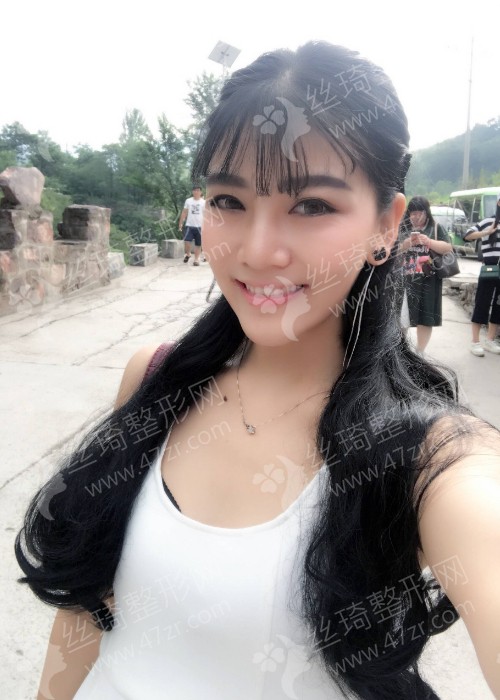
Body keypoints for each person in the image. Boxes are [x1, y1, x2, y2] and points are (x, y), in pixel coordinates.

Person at [15, 42, 500, 700]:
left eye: (312, 206)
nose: (257, 249)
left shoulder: (435, 462)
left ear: (387, 225)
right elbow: (89, 606)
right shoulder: (155, 378)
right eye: (229, 200)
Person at [399, 196, 453, 353]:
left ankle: (420, 352)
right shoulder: (402, 227)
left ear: (426, 212)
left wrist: (428, 241)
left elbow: (448, 248)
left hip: (429, 280)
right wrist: (408, 243)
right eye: (412, 213)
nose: (416, 216)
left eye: (419, 213)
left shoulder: (436, 227)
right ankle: (401, 351)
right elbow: (393, 250)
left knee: (426, 318)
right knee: (402, 317)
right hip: (405, 280)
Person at [463, 193, 500, 356]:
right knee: (482, 302)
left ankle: (490, 340)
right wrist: (487, 232)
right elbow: (467, 235)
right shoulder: (487, 222)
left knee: (498, 305)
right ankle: (475, 341)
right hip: (489, 269)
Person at [178, 185, 205, 266]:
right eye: (194, 190)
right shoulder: (188, 201)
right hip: (189, 225)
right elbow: (184, 212)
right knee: (187, 241)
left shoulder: (204, 202)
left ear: (200, 192)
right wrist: (180, 223)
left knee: (198, 244)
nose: (196, 192)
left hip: (200, 226)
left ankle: (196, 260)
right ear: (192, 192)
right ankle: (188, 254)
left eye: (198, 190)